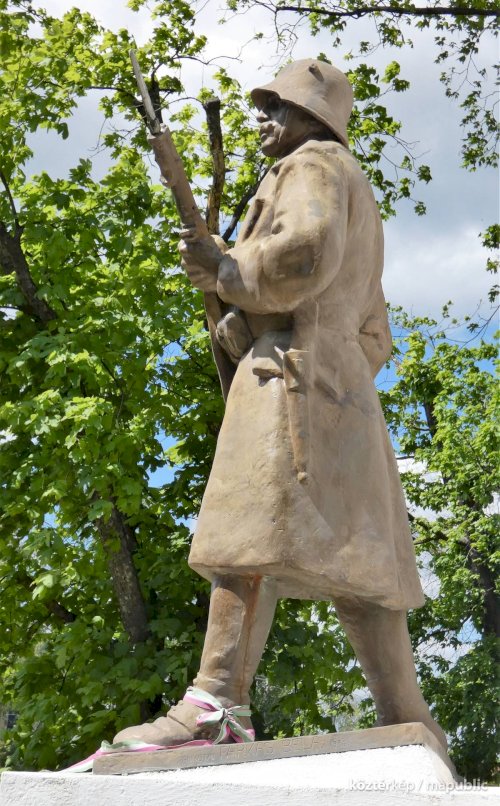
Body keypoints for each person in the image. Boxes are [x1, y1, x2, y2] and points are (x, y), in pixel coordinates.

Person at [114, 58, 446, 749]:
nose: (262, 119)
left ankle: (217, 703)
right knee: (364, 567)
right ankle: (408, 720)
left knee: (245, 538)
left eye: (277, 108)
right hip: (340, 387)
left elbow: (303, 256)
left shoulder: (312, 164)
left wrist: (226, 272)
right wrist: (249, 326)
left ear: (312, 118)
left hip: (290, 382)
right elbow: (374, 331)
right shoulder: (351, 183)